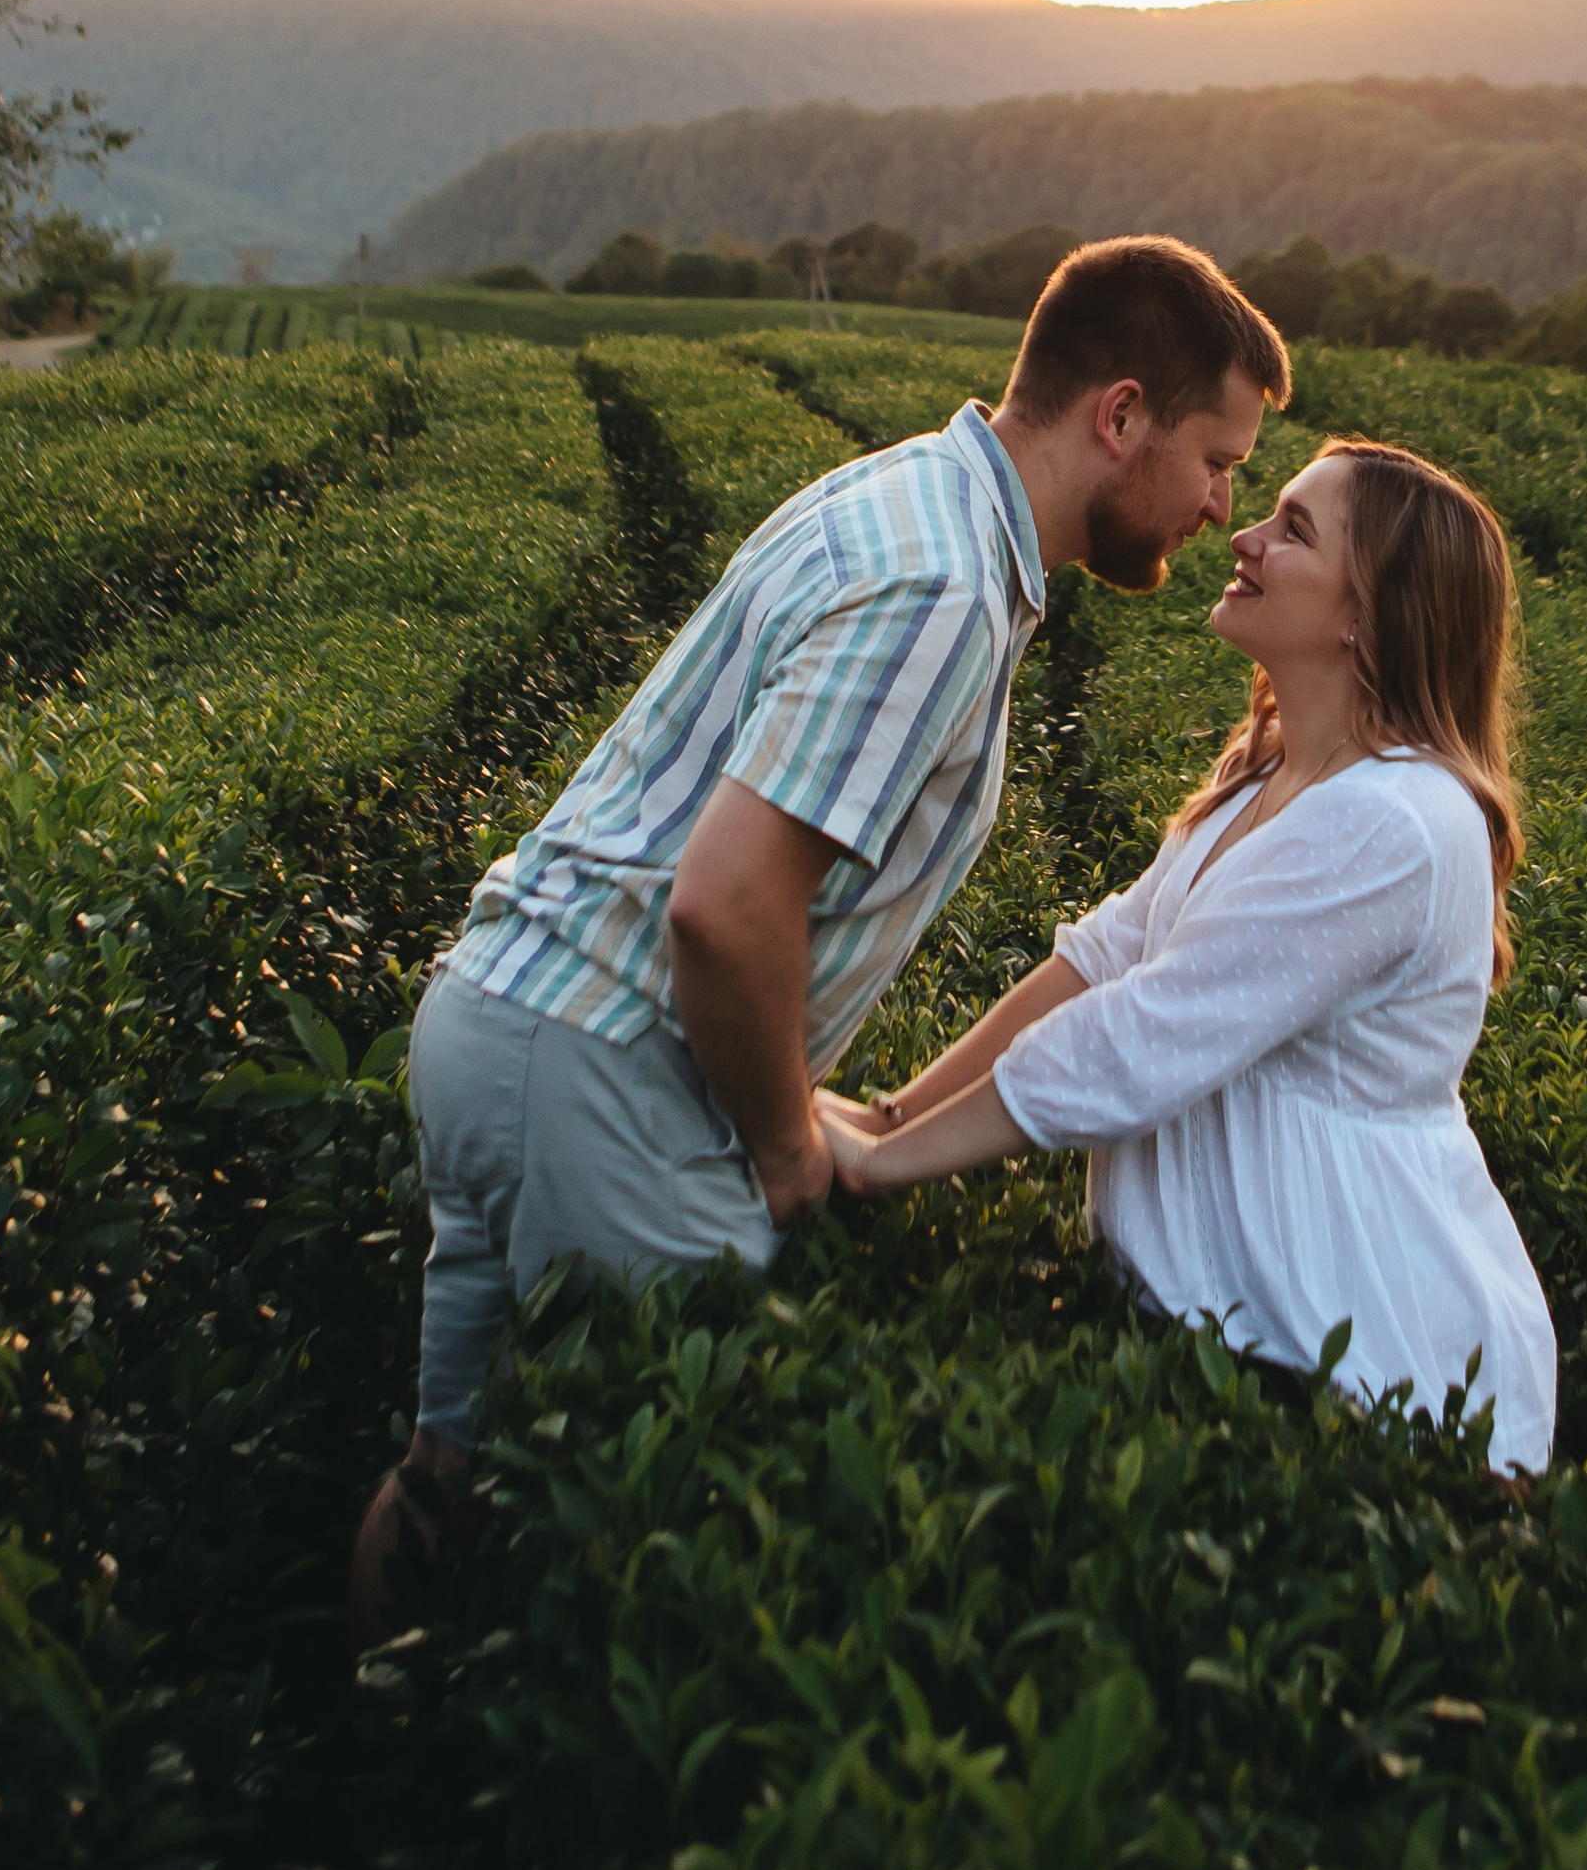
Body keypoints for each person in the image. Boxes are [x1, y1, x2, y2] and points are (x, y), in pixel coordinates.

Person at [350, 236, 1291, 1624]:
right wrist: (788, 1139)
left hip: (499, 1018)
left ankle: (373, 1741)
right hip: (605, 1073)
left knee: (450, 1465)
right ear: (1122, 415)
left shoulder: (903, 500)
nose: (1224, 506)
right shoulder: (942, 587)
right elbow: (725, 910)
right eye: (1221, 459)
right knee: (663, 1567)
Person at [819, 437, 1558, 1474]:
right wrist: (893, 1113)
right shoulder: (1264, 783)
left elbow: (1144, 1033)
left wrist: (885, 1166)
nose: (1244, 537)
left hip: (1350, 1355)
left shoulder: (1396, 821)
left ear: (1366, 615)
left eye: (1292, 530)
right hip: (1226, 1320)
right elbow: (1101, 961)